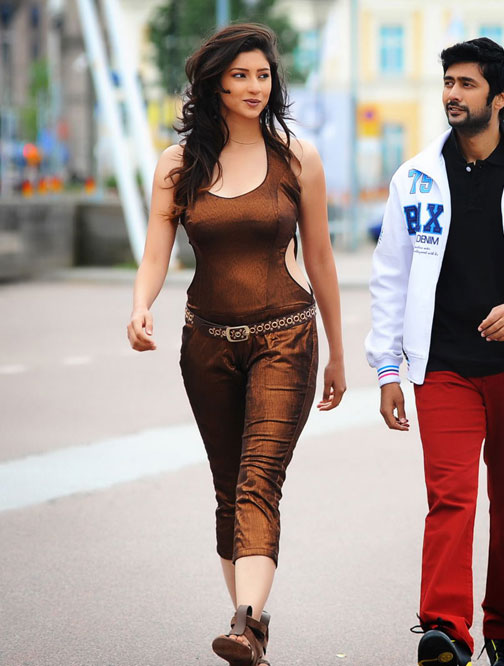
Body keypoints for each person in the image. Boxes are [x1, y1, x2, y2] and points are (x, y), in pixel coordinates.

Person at [365, 37, 504, 666]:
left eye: (466, 84)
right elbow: (389, 277)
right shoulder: (415, 178)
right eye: (448, 82)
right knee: (451, 497)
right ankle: (445, 630)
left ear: (501, 96)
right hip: (443, 367)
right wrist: (387, 369)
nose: (452, 94)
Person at [126, 23, 346, 666]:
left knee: (258, 478)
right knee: (229, 487)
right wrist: (140, 306)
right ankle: (251, 629)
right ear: (215, 83)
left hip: (286, 337)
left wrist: (337, 352)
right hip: (206, 344)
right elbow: (156, 254)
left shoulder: (297, 158)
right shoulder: (178, 165)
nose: (255, 86)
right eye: (240, 75)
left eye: (263, 75)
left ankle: (244, 622)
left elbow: (321, 259)